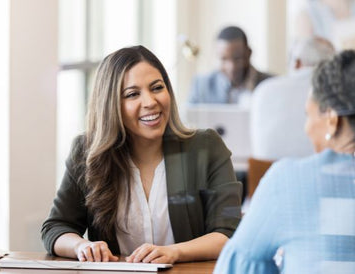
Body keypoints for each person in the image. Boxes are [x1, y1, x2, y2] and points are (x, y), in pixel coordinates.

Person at [41, 45, 242, 264]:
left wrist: (174, 252)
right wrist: (82, 246)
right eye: (132, 94)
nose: (150, 102)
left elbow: (228, 233)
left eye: (157, 88)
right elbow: (56, 227)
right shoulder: (86, 152)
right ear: (111, 105)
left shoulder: (206, 147)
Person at [214, 49, 355, 273]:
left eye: (309, 115)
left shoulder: (289, 181)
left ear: (332, 120)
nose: (306, 129)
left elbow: (237, 266)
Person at [250, 36, 335, 161]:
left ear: (297, 62)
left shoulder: (263, 89)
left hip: (262, 174)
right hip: (319, 172)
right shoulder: (336, 93)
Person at [188, 26, 272, 105]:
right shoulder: (202, 86)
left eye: (238, 58)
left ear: (249, 53)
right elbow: (189, 118)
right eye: (224, 59)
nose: (231, 67)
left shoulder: (271, 84)